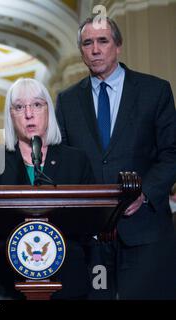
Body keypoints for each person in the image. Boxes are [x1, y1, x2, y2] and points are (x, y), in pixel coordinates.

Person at [55, 16, 176, 299]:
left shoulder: (154, 91)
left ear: (118, 46)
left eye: (102, 41)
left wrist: (143, 193)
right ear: (81, 50)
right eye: (87, 43)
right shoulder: (67, 100)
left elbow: (172, 153)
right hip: (91, 236)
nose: (95, 49)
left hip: (145, 230)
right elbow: (63, 162)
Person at [0, 78, 95, 300]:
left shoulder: (76, 160)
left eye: (37, 105)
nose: (29, 113)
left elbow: (91, 220)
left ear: (49, 110)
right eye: (19, 107)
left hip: (66, 276)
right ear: (11, 115)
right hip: (1, 278)